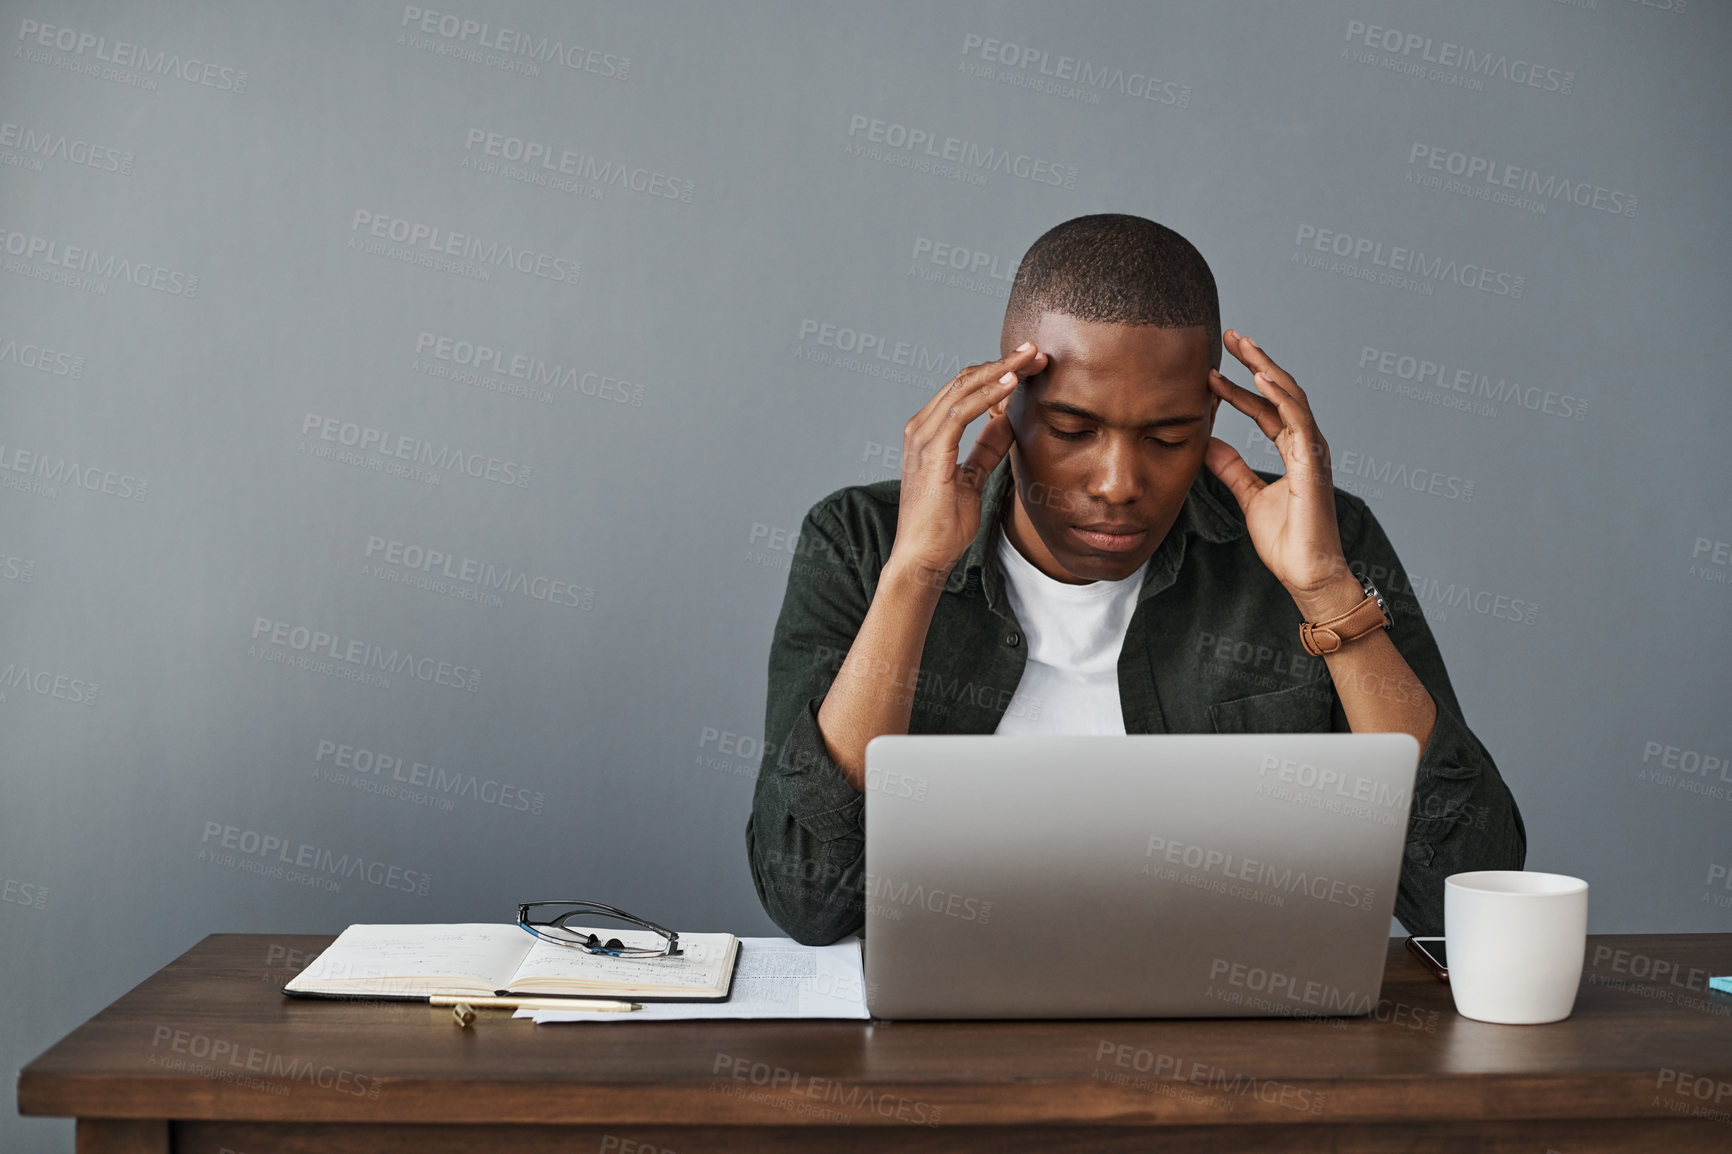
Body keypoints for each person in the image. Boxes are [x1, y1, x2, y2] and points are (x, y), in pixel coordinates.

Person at [746, 213, 1525, 946]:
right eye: (1073, 430)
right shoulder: (857, 542)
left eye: (1169, 435)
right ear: (1005, 405)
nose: (1120, 482)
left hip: (1237, 1048)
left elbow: (1463, 889)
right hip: (952, 1063)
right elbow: (810, 900)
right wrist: (914, 574)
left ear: (1213, 420)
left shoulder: (1319, 538)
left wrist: (1324, 589)